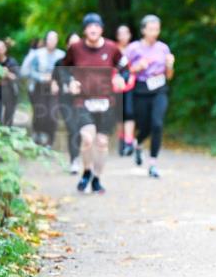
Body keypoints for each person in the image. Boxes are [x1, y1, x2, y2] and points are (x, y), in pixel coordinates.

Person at [54, 14, 126, 194]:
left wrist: (119, 77)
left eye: (96, 26)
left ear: (101, 29)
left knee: (102, 143)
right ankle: (86, 171)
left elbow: (125, 68)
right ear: (84, 30)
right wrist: (69, 81)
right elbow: (63, 68)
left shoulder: (112, 48)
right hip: (83, 101)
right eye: (89, 27)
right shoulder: (76, 48)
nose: (93, 30)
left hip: (106, 102)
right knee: (87, 138)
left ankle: (97, 178)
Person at [125, 15, 174, 178]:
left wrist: (170, 66)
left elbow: (169, 76)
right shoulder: (133, 48)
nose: (155, 32)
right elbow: (122, 70)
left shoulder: (163, 48)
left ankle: (153, 163)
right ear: (143, 30)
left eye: (157, 29)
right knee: (145, 126)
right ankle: (138, 144)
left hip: (159, 89)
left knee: (157, 124)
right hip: (140, 90)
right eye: (151, 29)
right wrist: (136, 67)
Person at [23, 31, 64, 146]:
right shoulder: (37, 54)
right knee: (40, 113)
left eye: (55, 39)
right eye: (50, 39)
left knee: (52, 114)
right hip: (39, 88)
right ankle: (38, 134)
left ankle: (50, 141)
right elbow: (28, 71)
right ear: (46, 40)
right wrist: (41, 77)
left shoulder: (61, 55)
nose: (52, 41)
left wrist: (56, 81)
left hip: (54, 88)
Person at [55, 33, 83, 173]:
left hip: (82, 100)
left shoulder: (85, 61)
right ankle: (74, 159)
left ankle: (78, 157)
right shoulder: (60, 62)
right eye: (71, 44)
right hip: (65, 100)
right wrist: (54, 84)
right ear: (67, 46)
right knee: (72, 129)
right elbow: (54, 78)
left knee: (80, 130)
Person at [115, 24, 138, 156]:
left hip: (132, 85)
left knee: (130, 112)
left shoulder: (135, 49)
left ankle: (129, 141)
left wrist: (131, 76)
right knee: (119, 114)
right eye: (121, 33)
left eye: (126, 33)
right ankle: (122, 139)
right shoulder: (114, 49)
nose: (123, 36)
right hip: (116, 86)